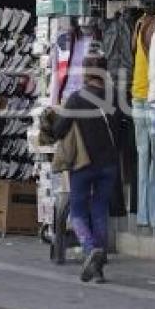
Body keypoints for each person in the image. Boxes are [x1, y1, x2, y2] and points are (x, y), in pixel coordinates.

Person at [47, 55, 119, 283]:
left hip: (83, 165)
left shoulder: (77, 99)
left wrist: (50, 119)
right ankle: (97, 268)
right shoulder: (116, 98)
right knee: (99, 210)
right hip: (109, 164)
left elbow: (58, 130)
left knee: (78, 210)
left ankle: (90, 248)